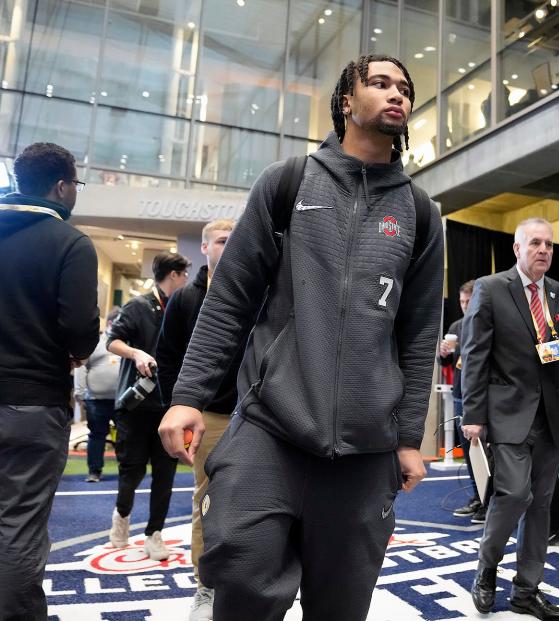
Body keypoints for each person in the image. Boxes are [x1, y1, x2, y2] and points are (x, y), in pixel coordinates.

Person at [158, 54, 443, 621]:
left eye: (405, 89)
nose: (397, 95)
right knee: (238, 574)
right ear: (346, 102)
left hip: (366, 447)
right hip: (272, 428)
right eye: (380, 83)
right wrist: (188, 396)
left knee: (340, 606)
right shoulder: (289, 181)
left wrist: (410, 437)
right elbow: (230, 299)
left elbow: (419, 336)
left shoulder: (419, 211)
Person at [460, 217, 559, 620]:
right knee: (515, 494)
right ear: (517, 249)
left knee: (542, 504)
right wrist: (473, 414)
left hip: (552, 416)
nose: (544, 250)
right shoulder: (491, 289)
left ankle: (526, 590)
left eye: (550, 245)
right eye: (535, 243)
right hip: (508, 414)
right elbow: (474, 356)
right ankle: (487, 569)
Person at [0, 142, 100, 619]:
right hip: (32, 403)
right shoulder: (69, 243)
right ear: (61, 187)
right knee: (18, 524)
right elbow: (81, 332)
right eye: (76, 184)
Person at [156, 218, 236, 620]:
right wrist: (180, 406)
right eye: (222, 240)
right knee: (207, 500)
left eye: (235, 239)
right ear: (204, 248)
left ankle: (254, 578)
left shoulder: (258, 290)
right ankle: (206, 586)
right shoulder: (186, 299)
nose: (230, 245)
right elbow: (167, 356)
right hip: (209, 416)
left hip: (258, 414)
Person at [106, 251, 191, 560]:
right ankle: (122, 517)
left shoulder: (182, 308)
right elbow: (112, 341)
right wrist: (137, 353)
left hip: (169, 407)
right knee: (132, 472)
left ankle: (154, 534)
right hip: (135, 408)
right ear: (173, 275)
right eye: (184, 274)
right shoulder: (137, 306)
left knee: (165, 475)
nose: (186, 280)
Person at [439, 280, 488, 521]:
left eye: (469, 301)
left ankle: (490, 500)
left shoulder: (487, 322)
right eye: (461, 301)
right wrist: (444, 355)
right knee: (468, 452)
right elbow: (448, 364)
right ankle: (478, 497)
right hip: (460, 396)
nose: (465, 305)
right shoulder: (457, 326)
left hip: (483, 398)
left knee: (487, 453)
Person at [75, 306, 122, 482]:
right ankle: (94, 471)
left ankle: (126, 471)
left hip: (122, 400)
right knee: (96, 435)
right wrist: (79, 392)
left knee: (126, 436)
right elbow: (81, 368)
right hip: (96, 400)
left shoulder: (126, 343)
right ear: (111, 323)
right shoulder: (96, 343)